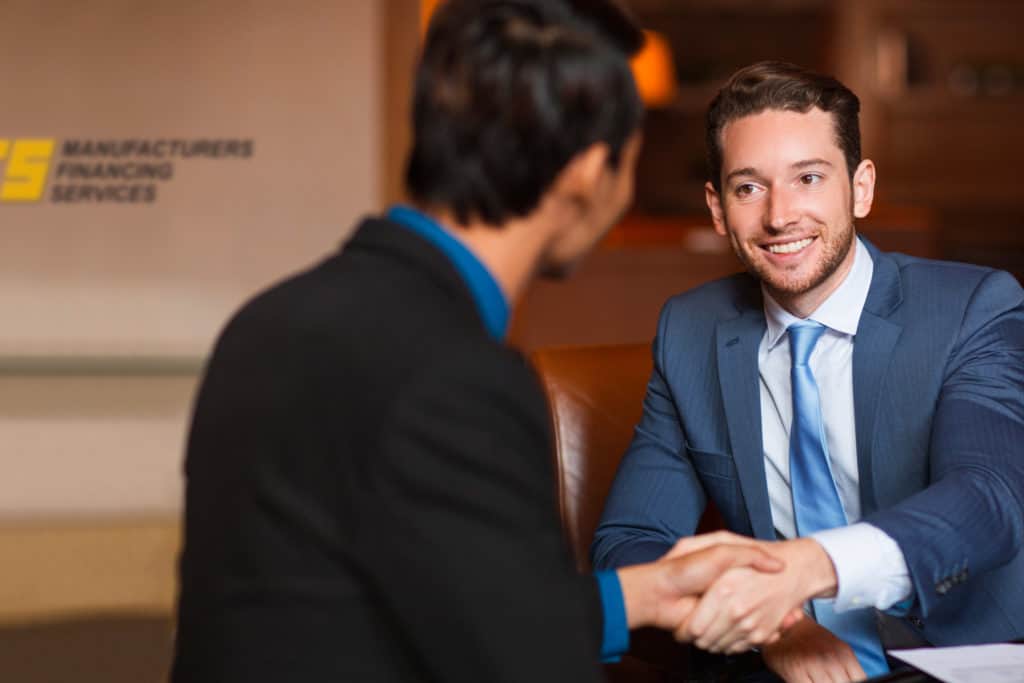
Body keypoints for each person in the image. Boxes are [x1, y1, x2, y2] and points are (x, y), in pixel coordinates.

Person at [170, 5, 792, 683]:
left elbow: (410, 600)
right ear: (588, 171)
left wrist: (640, 594)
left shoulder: (268, 320)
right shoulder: (458, 376)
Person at [593, 60, 1024, 682]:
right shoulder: (689, 331)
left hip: (962, 661)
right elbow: (630, 542)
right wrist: (776, 625)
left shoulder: (971, 309)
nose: (779, 215)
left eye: (809, 178)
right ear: (717, 208)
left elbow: (989, 499)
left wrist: (809, 565)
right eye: (748, 187)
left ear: (862, 186)